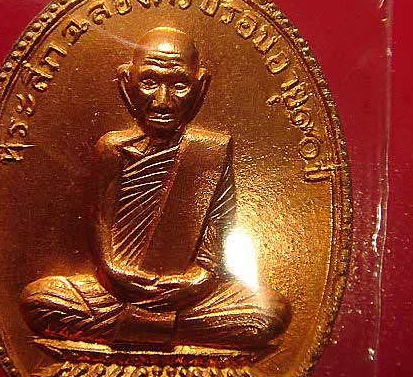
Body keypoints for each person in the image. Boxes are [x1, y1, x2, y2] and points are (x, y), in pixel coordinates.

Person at [21, 27, 291, 350]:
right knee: (39, 300)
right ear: (127, 83)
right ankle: (169, 329)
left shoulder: (211, 153)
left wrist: (196, 282)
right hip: (116, 293)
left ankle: (136, 328)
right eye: (149, 82)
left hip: (187, 298)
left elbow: (216, 242)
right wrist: (115, 274)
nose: (163, 101)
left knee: (270, 312)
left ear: (201, 86)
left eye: (179, 85)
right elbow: (101, 232)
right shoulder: (112, 150)